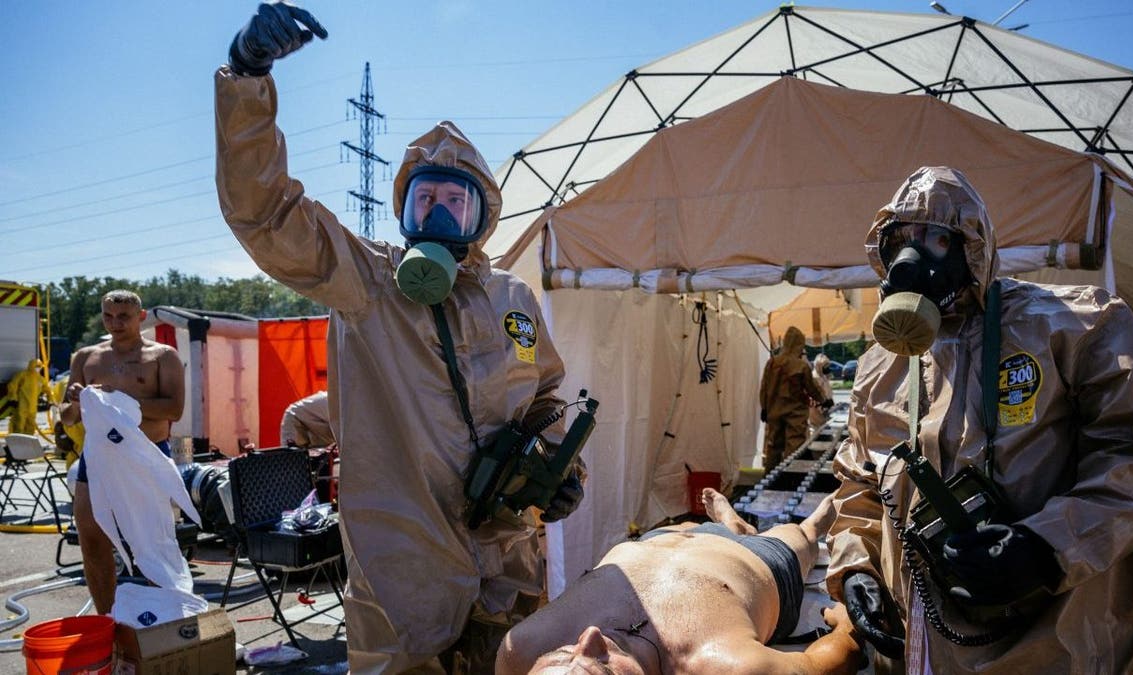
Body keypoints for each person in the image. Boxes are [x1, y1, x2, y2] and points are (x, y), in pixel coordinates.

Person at [216, 4, 585, 671]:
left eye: (455, 200)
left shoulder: (514, 301)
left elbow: (546, 398)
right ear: (402, 208)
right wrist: (247, 77)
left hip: (507, 557)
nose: (438, 212)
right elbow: (265, 213)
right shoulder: (365, 281)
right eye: (425, 199)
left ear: (484, 215)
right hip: (402, 571)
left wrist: (560, 470)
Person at [825, 166, 1133, 672]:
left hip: (1056, 641)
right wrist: (857, 568)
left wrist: (1047, 546)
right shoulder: (880, 367)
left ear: (973, 248)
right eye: (901, 241)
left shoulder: (1075, 326)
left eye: (937, 239)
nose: (912, 259)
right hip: (924, 645)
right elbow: (860, 487)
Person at [496, 488, 862, 674]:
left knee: (691, 525)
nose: (589, 638)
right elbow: (822, 664)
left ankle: (730, 523)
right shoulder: (722, 666)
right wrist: (845, 626)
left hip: (662, 541)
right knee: (799, 536)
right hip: (758, 564)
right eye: (603, 665)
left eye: (563, 653)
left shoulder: (522, 653)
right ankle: (809, 525)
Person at [59, 290, 185, 615]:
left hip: (146, 453)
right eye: (108, 316)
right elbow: (67, 416)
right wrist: (75, 401)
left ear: (141, 317)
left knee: (154, 542)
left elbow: (174, 408)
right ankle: (107, 619)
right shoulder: (86, 357)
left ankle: (169, 618)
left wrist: (118, 400)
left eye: (124, 317)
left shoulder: (163, 355)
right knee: (91, 534)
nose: (115, 323)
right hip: (99, 456)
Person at [760, 327, 831, 471]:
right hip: (795, 415)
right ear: (799, 344)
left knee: (773, 447)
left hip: (774, 412)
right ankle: (790, 480)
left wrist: (764, 408)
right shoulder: (801, 365)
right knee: (794, 448)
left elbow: (764, 388)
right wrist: (824, 399)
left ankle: (769, 482)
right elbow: (812, 389)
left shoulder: (772, 363)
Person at [1, 358, 51, 435]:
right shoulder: (23, 375)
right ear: (31, 366)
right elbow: (13, 385)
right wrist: (13, 397)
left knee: (30, 424)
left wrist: (50, 399)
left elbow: (47, 390)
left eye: (39, 366)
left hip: (33, 406)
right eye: (36, 366)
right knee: (19, 422)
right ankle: (16, 440)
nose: (38, 368)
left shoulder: (40, 379)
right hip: (22, 404)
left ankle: (28, 440)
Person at [808, 353, 836, 435]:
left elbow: (828, 391)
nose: (827, 367)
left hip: (826, 406)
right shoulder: (814, 377)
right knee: (819, 430)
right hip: (818, 409)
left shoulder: (823, 375)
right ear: (819, 365)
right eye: (825, 365)